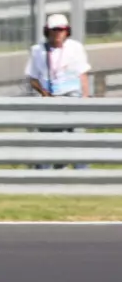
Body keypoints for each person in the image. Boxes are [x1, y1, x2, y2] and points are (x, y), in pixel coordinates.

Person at [24, 13, 90, 169]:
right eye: (54, 30)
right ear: (47, 31)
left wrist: (85, 99)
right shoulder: (38, 51)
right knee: (47, 143)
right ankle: (44, 179)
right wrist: (45, 94)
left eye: (62, 29)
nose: (58, 33)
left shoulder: (75, 48)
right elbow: (32, 78)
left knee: (78, 142)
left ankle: (83, 177)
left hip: (73, 97)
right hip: (50, 100)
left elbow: (83, 74)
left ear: (67, 31)